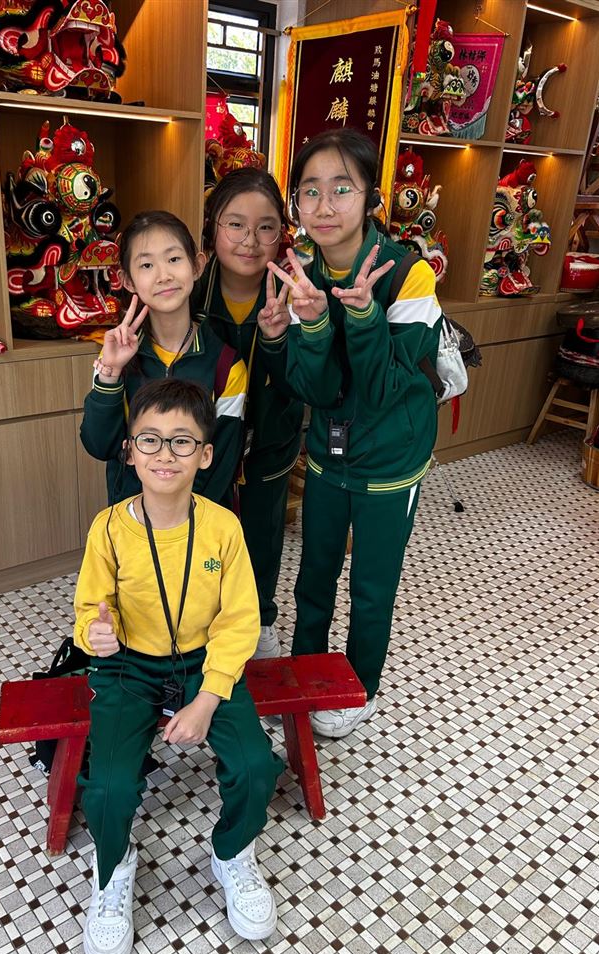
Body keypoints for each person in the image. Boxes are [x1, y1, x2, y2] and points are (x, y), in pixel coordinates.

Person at [74, 378, 283, 954]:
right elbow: (89, 609)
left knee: (255, 764)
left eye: (182, 441)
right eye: (151, 439)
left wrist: (208, 699)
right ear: (129, 451)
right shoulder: (108, 528)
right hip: (127, 665)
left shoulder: (223, 527)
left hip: (203, 662)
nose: (165, 454)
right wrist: (95, 634)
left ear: (206, 455)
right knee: (108, 785)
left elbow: (239, 622)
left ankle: (232, 852)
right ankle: (113, 866)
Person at [263, 128, 442, 738]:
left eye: (342, 188)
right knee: (313, 574)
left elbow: (385, 386)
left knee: (371, 585)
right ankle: (305, 671)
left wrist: (362, 314)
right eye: (309, 191)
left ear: (371, 198)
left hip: (391, 458)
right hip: (328, 451)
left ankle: (360, 686)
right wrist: (308, 324)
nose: (324, 205)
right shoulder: (303, 274)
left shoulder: (409, 275)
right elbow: (315, 390)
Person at [195, 168, 304, 659]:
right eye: (235, 224)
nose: (250, 240)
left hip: (270, 441)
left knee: (261, 533)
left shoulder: (297, 294)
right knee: (202, 532)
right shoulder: (190, 292)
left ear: (281, 233)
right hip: (204, 445)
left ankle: (259, 619)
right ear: (213, 226)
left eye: (266, 227)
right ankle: (202, 619)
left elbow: (307, 378)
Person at [80, 210, 248, 509]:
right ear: (127, 280)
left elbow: (221, 464)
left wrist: (176, 520)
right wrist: (110, 372)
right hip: (132, 517)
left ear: (197, 265)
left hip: (200, 520)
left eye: (174, 259)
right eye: (146, 265)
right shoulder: (115, 358)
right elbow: (100, 445)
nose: (164, 275)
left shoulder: (226, 365)